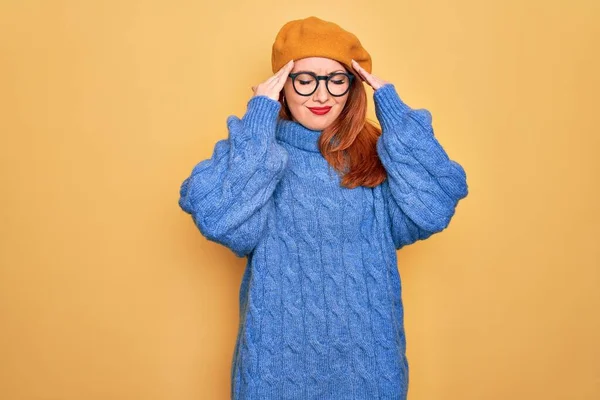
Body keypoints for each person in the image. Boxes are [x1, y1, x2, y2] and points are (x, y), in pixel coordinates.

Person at [178, 16, 468, 400]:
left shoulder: (377, 155)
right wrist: (260, 114)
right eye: (305, 79)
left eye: (336, 79)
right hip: (275, 368)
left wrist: (394, 112)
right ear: (282, 85)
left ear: (353, 86)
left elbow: (435, 205)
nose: (321, 95)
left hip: (370, 368)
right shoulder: (260, 156)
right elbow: (218, 217)